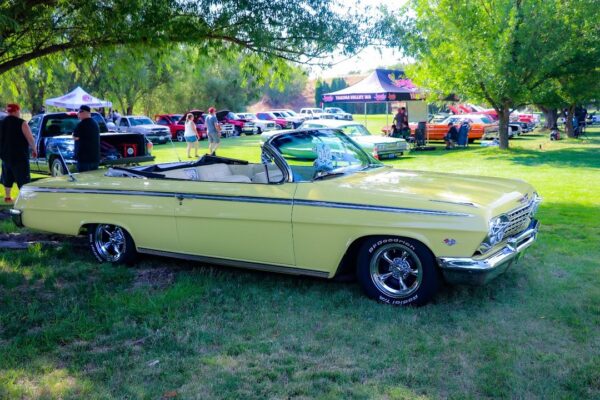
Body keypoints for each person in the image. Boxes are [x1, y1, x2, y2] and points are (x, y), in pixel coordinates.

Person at [0, 103, 37, 203]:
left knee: (7, 177)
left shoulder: (1, 122)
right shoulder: (22, 123)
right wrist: (34, 149)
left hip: (5, 155)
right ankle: (23, 198)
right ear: (16, 111)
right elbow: (30, 138)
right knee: (23, 178)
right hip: (20, 156)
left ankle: (7, 197)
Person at [72, 105, 100, 172]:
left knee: (83, 181)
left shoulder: (81, 125)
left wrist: (73, 134)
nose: (78, 114)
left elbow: (75, 137)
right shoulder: (95, 124)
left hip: (84, 160)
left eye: (79, 112)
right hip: (95, 159)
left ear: (84, 112)